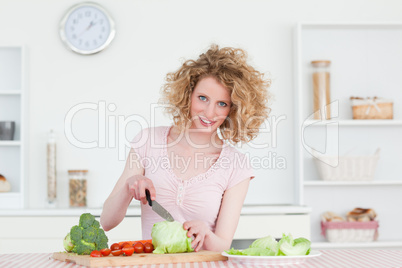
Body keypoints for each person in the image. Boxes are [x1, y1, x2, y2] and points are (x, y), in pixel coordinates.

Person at [100, 44, 271, 252]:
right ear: (187, 94)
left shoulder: (237, 165)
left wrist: (206, 233)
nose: (209, 113)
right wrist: (130, 185)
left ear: (234, 109)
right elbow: (107, 222)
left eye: (222, 104)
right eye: (202, 98)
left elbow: (222, 246)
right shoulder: (147, 141)